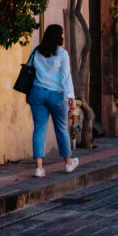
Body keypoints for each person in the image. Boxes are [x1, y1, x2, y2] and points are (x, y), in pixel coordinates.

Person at [28, 24, 79, 177]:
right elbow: (66, 77)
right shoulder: (62, 54)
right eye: (62, 34)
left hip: (37, 92)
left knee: (39, 128)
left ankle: (39, 168)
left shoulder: (36, 51)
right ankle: (68, 164)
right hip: (56, 94)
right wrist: (72, 98)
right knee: (62, 128)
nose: (63, 36)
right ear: (58, 36)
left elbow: (29, 71)